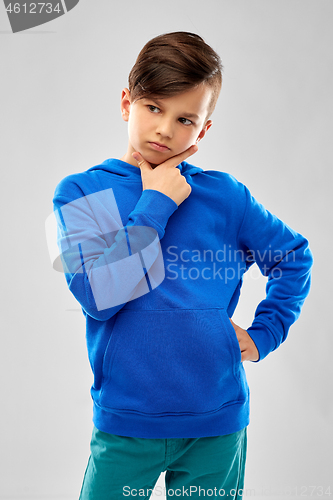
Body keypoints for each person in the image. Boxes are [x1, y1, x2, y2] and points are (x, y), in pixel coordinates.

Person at [52, 31, 313, 499]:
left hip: (215, 423)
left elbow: (294, 257)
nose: (165, 130)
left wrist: (264, 334)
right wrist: (154, 204)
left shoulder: (225, 196)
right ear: (127, 102)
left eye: (185, 118)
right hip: (125, 422)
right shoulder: (81, 192)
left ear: (204, 129)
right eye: (154, 107)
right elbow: (98, 297)